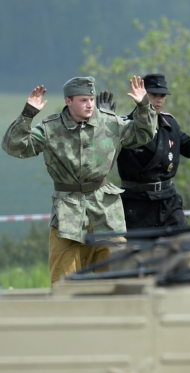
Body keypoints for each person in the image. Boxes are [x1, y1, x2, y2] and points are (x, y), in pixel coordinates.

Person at [1, 76, 157, 283]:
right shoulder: (50, 128)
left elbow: (145, 134)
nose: (90, 104)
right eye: (83, 100)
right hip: (68, 214)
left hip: (106, 212)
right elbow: (13, 146)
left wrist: (144, 105)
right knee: (64, 281)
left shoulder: (110, 123)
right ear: (68, 101)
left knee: (118, 278)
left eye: (91, 99)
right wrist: (28, 114)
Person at [102, 74, 190, 229]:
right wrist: (103, 124)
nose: (159, 100)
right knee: (140, 252)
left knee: (181, 248)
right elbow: (101, 157)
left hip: (168, 202)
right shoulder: (124, 127)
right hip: (137, 204)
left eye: (162, 96)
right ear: (142, 95)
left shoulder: (169, 124)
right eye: (153, 95)